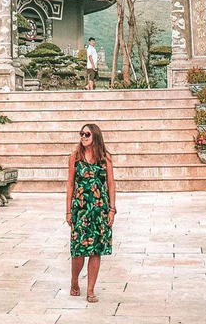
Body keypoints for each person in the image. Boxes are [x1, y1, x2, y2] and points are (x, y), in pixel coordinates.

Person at [66, 123, 116, 303]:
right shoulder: (74, 158)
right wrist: (68, 212)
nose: (83, 137)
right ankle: (74, 280)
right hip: (80, 210)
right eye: (81, 134)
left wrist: (112, 210)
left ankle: (90, 289)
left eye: (87, 134)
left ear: (95, 136)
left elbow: (111, 184)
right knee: (78, 251)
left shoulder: (105, 158)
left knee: (96, 251)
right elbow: (70, 185)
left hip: (100, 210)